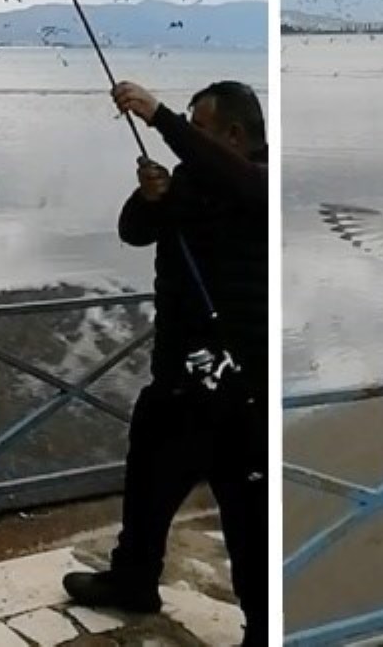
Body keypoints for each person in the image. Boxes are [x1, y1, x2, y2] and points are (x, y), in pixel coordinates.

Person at [62, 79, 269, 647]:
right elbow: (134, 233)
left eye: (200, 129)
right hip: (177, 379)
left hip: (238, 389)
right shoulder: (194, 180)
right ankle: (134, 580)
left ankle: (263, 626)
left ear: (232, 134)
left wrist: (159, 116)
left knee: (249, 517)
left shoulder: (263, 184)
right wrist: (149, 196)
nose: (189, 141)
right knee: (146, 485)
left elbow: (244, 187)